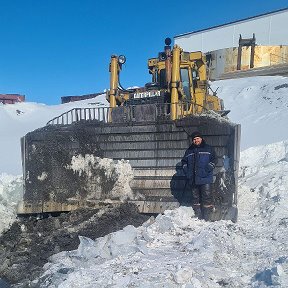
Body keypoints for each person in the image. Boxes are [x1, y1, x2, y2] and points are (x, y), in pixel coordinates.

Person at [181, 131, 216, 221]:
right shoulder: (189, 151)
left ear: (201, 138)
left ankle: (207, 217)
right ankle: (198, 217)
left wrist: (208, 168)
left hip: (206, 178)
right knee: (195, 198)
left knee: (207, 197)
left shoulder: (208, 149)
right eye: (194, 139)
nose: (196, 140)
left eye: (198, 138)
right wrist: (187, 171)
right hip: (193, 178)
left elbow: (215, 160)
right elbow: (184, 162)